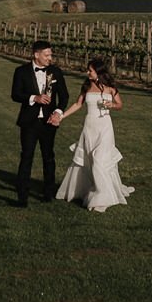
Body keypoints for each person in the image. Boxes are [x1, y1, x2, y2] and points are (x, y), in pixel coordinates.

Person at [52, 57, 134, 213]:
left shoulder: (110, 88)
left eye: (90, 70)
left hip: (105, 128)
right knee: (88, 159)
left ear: (98, 71)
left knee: (99, 160)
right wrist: (61, 116)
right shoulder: (87, 85)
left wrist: (112, 105)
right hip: (90, 127)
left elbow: (119, 105)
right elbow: (78, 104)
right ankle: (84, 189)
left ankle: (102, 195)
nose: (87, 72)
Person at [10, 40, 68, 207]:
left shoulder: (56, 72)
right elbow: (15, 94)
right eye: (47, 55)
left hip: (49, 122)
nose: (50, 58)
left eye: (51, 54)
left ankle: (48, 193)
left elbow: (64, 96)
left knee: (48, 157)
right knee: (27, 157)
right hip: (29, 122)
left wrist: (58, 113)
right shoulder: (21, 71)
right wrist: (34, 98)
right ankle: (22, 196)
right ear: (36, 55)